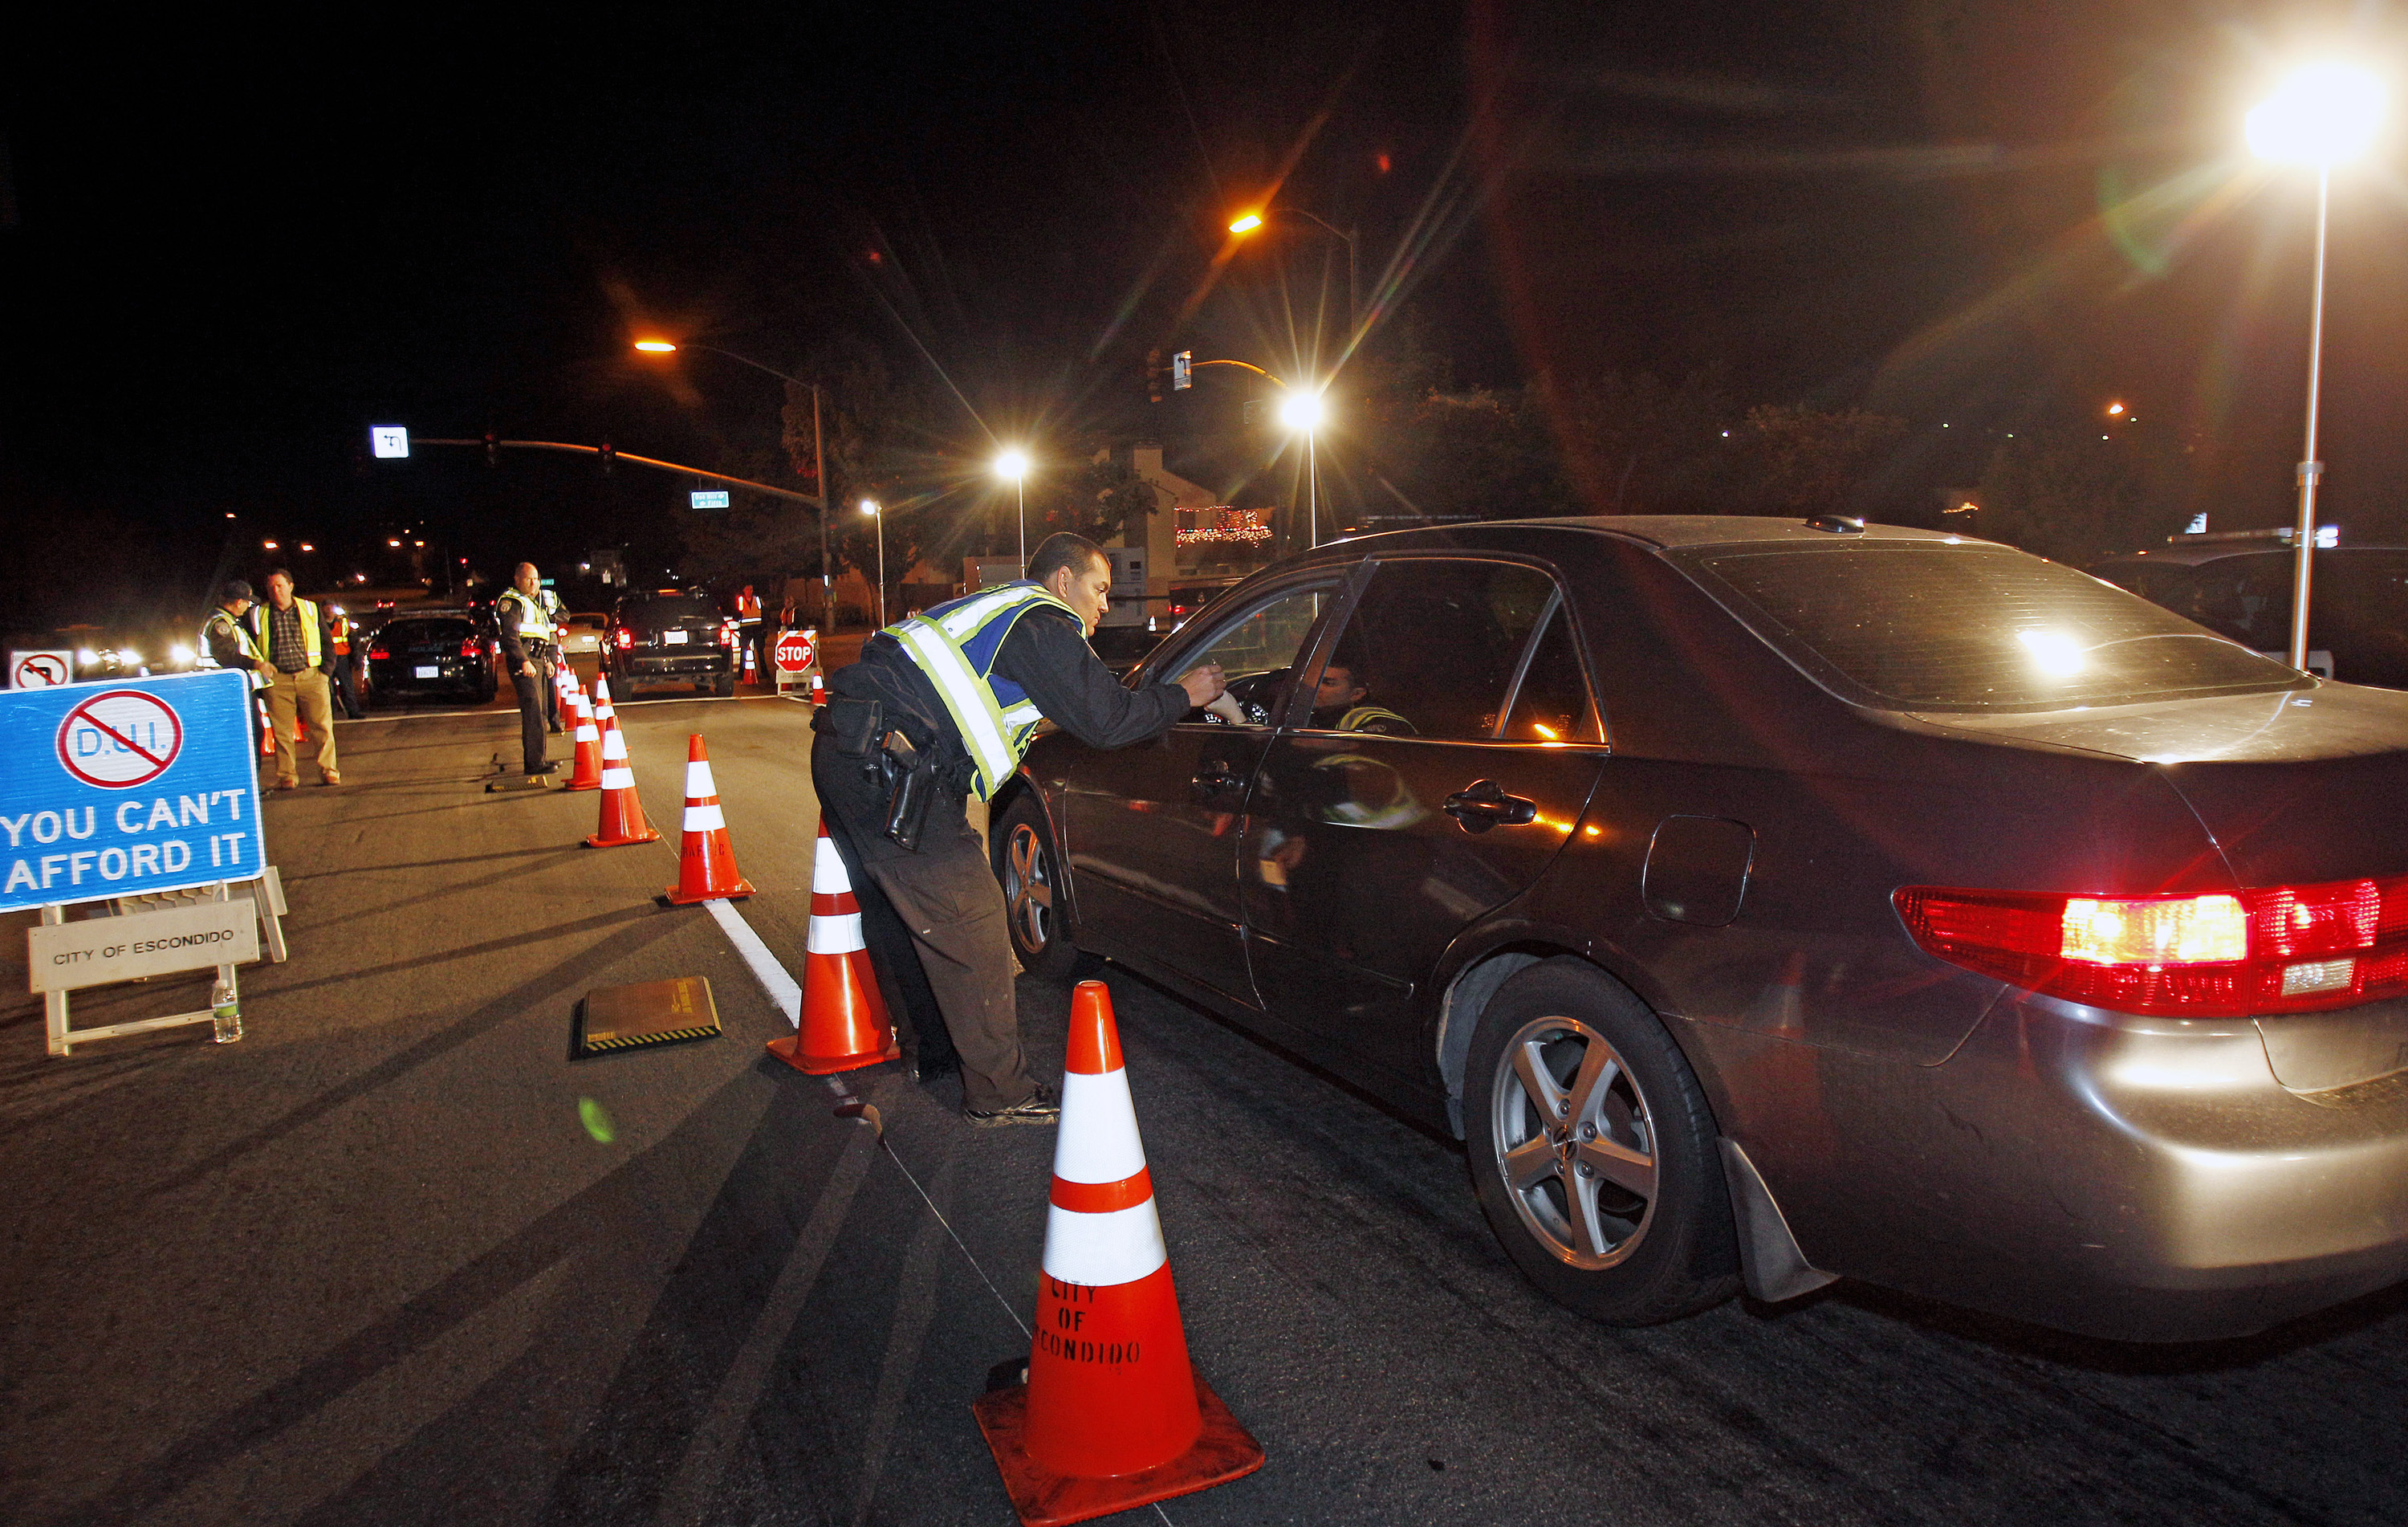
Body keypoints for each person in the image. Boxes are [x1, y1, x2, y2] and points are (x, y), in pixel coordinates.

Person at [814, 531, 1226, 1126]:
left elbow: (1056, 703)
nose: (1106, 605)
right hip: (893, 769)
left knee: (901, 918)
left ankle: (930, 1054)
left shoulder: (999, 616)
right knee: (975, 919)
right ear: (1064, 581)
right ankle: (999, 1093)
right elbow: (1107, 721)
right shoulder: (1041, 619)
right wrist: (1184, 695)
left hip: (848, 750)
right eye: (1100, 588)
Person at [244, 569, 340, 788]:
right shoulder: (258, 614)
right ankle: (287, 776)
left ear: (290, 586)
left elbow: (327, 643)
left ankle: (329, 771)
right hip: (278, 681)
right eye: (270, 587)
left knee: (322, 727)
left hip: (310, 676)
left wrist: (325, 672)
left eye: (279, 585)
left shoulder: (309, 609)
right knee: (282, 732)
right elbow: (250, 646)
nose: (274, 590)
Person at [495, 563, 559, 776]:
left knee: (540, 713)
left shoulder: (532, 603)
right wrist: (524, 661)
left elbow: (540, 636)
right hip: (524, 660)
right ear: (517, 579)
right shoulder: (512, 602)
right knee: (532, 711)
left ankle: (539, 759)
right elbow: (510, 636)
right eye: (528, 579)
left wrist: (547, 661)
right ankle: (533, 764)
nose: (534, 583)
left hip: (537, 660)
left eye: (536, 579)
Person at [1308, 658, 1415, 735]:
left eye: (1329, 683)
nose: (1317, 688)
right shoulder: (1315, 717)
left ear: (1356, 694)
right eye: (1315, 682)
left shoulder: (1371, 720)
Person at [325, 605, 365, 719]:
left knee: (347, 688)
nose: (329, 611)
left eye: (331, 608)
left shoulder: (343, 623)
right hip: (326, 660)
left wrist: (356, 658)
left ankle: (353, 712)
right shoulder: (318, 623)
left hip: (342, 658)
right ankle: (330, 715)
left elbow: (354, 641)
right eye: (327, 608)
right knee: (328, 690)